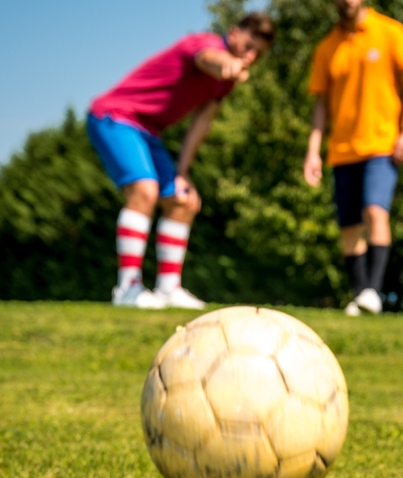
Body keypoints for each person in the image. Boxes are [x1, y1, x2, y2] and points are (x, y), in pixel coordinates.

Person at [87, 14, 274, 309]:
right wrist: (227, 65)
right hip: (116, 116)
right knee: (144, 191)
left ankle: (168, 288)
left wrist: (182, 174)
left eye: (258, 53)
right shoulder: (203, 43)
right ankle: (127, 287)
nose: (250, 56)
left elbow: (201, 124)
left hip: (149, 131)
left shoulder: (224, 85)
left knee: (183, 200)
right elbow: (209, 59)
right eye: (248, 46)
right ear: (235, 33)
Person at [303, 0, 403, 315]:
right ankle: (360, 295)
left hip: (382, 142)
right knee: (349, 227)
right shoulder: (327, 47)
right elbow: (320, 105)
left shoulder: (391, 32)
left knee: (374, 210)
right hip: (342, 148)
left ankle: (372, 290)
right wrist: (313, 150)